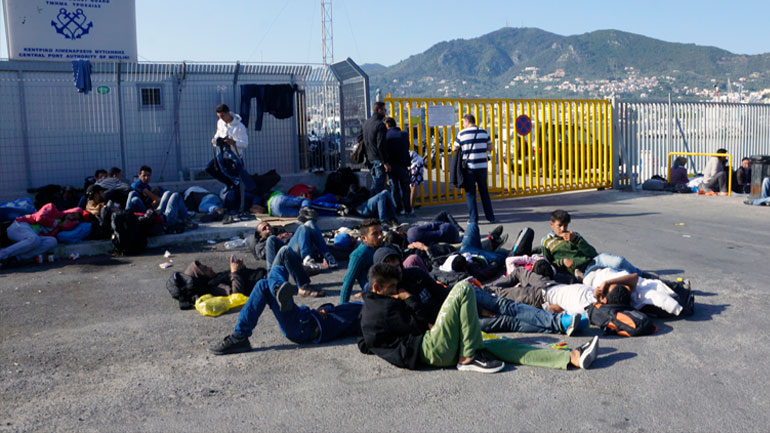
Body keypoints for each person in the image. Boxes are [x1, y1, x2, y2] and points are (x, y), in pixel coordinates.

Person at [358, 263, 599, 372]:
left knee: (503, 344)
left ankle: (571, 358)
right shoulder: (382, 308)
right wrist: (408, 297)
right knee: (463, 289)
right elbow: (419, 324)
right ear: (377, 287)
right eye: (391, 289)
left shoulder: (375, 306)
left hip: (436, 342)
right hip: (430, 348)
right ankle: (468, 357)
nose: (395, 292)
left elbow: (368, 341)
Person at [375, 245, 584, 336]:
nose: (395, 268)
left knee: (505, 306)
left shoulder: (414, 274)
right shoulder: (390, 296)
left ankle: (559, 321)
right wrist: (408, 298)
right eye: (389, 265)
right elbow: (420, 324)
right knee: (506, 322)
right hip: (451, 322)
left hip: (460, 297)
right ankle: (557, 325)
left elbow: (441, 292)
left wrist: (474, 305)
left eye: (396, 262)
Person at [208, 265, 363, 355]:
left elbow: (367, 329)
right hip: (306, 317)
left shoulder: (370, 314)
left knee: (263, 285)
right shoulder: (364, 306)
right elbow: (338, 311)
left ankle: (240, 336)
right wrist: (326, 309)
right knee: (277, 268)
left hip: (304, 327)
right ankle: (278, 288)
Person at [541, 209, 641, 279]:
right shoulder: (546, 242)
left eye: (565, 225)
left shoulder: (573, 235)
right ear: (552, 224)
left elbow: (592, 253)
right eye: (560, 225)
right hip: (583, 271)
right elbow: (548, 265)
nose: (563, 229)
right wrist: (562, 262)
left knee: (619, 261)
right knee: (618, 276)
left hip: (593, 260)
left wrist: (576, 240)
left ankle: (642, 274)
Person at [0, 204, 83, 264]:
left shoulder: (58, 230)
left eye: (73, 219)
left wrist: (67, 225)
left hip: (29, 240)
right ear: (68, 211)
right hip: (19, 225)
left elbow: (67, 229)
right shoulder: (51, 207)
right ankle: (2, 254)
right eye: (72, 214)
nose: (71, 218)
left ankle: (16, 258)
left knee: (52, 241)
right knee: (35, 239)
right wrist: (57, 224)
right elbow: (39, 218)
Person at [249, 219, 337, 272]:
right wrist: (278, 238)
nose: (268, 228)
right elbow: (264, 254)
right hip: (288, 252)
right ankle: (307, 259)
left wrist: (291, 235)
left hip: (298, 246)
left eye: (268, 225)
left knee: (310, 223)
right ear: (260, 234)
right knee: (302, 227)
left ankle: (328, 256)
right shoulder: (262, 243)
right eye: (264, 229)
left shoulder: (279, 230)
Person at [453, 114, 495, 223]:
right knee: (484, 192)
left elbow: (454, 148)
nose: (462, 124)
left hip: (469, 168)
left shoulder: (462, 133)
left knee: (470, 193)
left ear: (467, 121)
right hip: (482, 167)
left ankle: (473, 219)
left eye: (463, 122)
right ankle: (491, 217)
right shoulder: (484, 132)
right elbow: (490, 147)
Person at [339, 219, 384, 304]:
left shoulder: (382, 247)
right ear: (364, 238)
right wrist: (342, 307)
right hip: (375, 298)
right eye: (375, 234)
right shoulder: (359, 255)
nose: (380, 236)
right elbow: (348, 281)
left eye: (381, 232)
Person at [207, 104, 249, 188]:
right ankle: (228, 184)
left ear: (228, 113)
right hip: (222, 155)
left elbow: (245, 143)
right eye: (219, 116)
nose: (221, 118)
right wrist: (215, 140)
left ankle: (235, 192)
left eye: (222, 116)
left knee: (237, 183)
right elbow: (217, 134)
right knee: (209, 168)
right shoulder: (220, 123)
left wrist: (234, 142)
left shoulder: (240, 127)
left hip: (234, 158)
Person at [384, 117, 412, 216]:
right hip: (403, 165)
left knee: (394, 189)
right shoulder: (404, 134)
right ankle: (408, 209)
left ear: (387, 125)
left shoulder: (386, 136)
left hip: (391, 166)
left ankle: (399, 209)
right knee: (406, 189)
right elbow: (407, 147)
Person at [362, 101, 389, 194]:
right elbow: (380, 145)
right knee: (380, 189)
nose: (386, 112)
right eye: (384, 110)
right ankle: (379, 208)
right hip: (378, 160)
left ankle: (372, 207)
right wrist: (385, 162)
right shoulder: (380, 125)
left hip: (369, 159)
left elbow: (360, 139)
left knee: (375, 186)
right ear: (379, 110)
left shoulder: (366, 123)